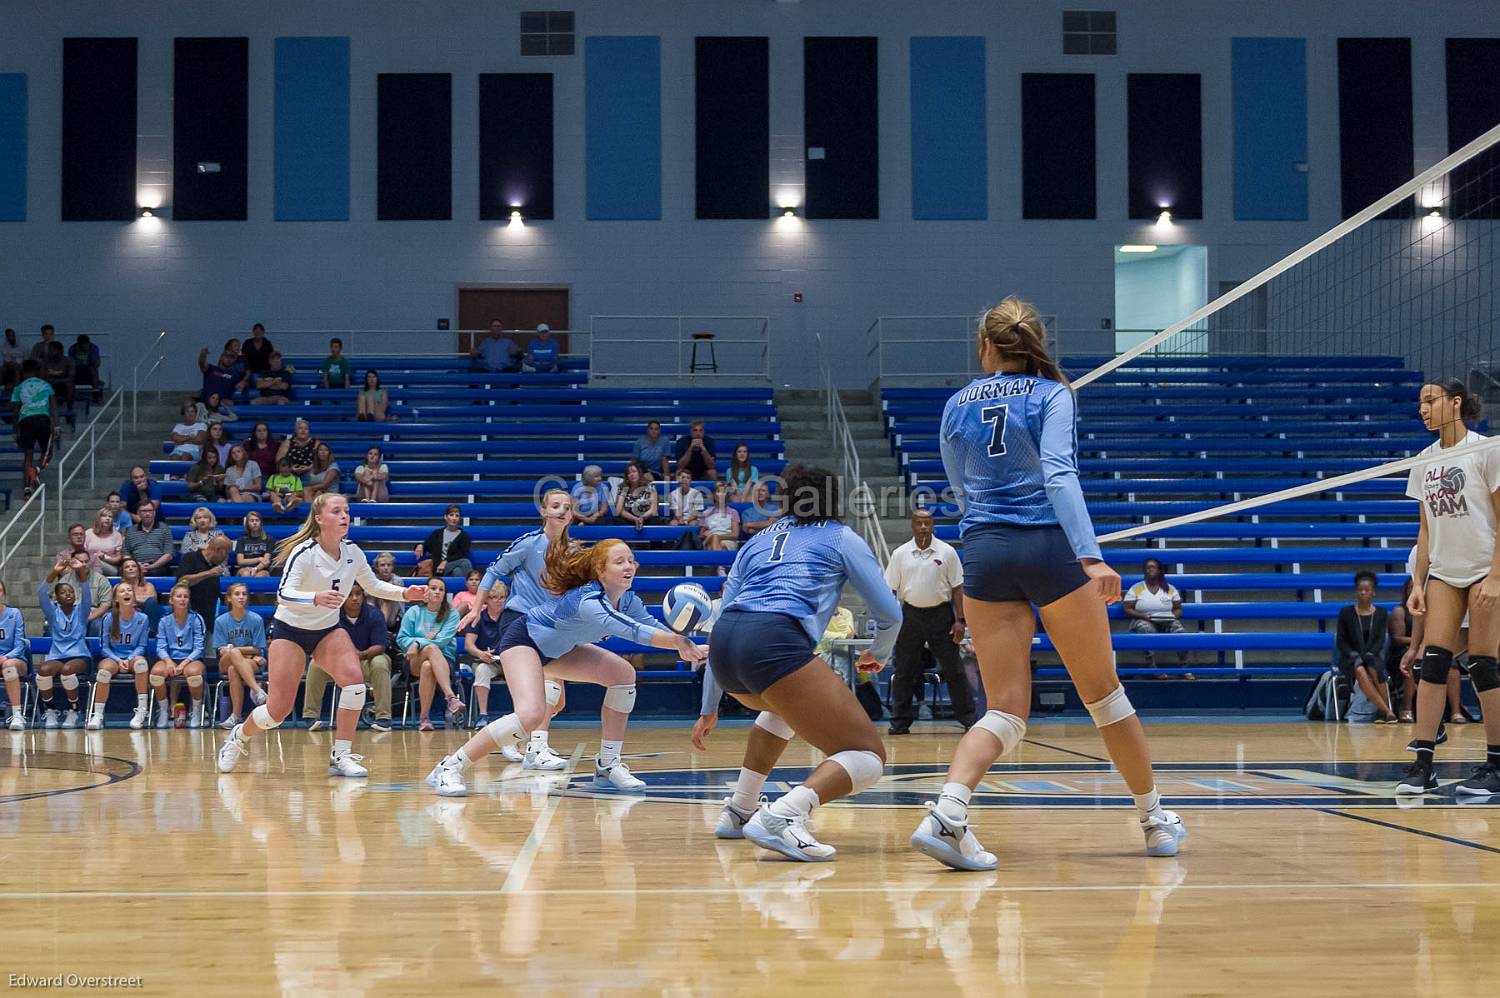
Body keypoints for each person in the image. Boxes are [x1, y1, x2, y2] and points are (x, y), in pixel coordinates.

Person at [912, 296, 1185, 871]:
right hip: (1047, 548)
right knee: (1105, 698)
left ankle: (948, 811)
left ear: (986, 346)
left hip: (984, 550)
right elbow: (1059, 474)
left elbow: (958, 488)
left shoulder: (957, 403)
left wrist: (987, 523)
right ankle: (1154, 819)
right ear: (1033, 343)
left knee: (1006, 710)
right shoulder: (1054, 393)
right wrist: (1091, 557)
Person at [690, 465, 899, 861]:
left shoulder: (755, 542)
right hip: (774, 642)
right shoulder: (840, 537)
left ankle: (739, 809)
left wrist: (708, 708)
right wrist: (879, 653)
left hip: (728, 647)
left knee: (783, 711)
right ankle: (784, 815)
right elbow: (891, 613)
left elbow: (718, 622)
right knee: (868, 757)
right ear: (834, 500)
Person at [427, 537, 705, 797]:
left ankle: (608, 765)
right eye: (619, 561)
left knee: (623, 675)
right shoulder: (589, 600)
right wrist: (678, 642)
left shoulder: (628, 600)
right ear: (600, 570)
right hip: (524, 640)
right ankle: (450, 767)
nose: (629, 566)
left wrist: (691, 645)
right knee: (531, 714)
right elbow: (632, 631)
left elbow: (650, 625)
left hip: (558, 651)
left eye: (631, 560)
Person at [216, 493, 425, 777]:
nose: (344, 516)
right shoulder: (304, 552)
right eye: (337, 511)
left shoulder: (352, 552)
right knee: (277, 713)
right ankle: (239, 735)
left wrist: (404, 593)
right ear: (319, 519)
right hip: (290, 631)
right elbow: (283, 594)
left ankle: (341, 755)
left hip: (327, 630)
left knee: (354, 684)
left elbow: (373, 585)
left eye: (347, 511)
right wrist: (315, 597)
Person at [1398, 379, 1500, 796]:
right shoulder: (1423, 460)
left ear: (1455, 402)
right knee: (1433, 661)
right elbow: (1425, 530)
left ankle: (1496, 766)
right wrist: (1418, 582)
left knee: (1483, 664)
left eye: (1430, 400)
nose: (1423, 408)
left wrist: (1496, 575)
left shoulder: (1486, 449)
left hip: (1483, 568)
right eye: (1420, 402)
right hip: (1444, 570)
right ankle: (1424, 765)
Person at [459, 489, 576, 766]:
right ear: (544, 512)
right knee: (549, 688)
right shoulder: (528, 544)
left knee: (555, 702)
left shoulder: (570, 552)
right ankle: (537, 747)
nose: (562, 511)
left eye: (567, 507)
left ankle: (513, 736)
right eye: (556, 506)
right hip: (523, 621)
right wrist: (476, 608)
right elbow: (493, 571)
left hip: (553, 625)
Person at [885, 508, 975, 735]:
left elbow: (957, 588)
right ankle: (899, 722)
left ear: (933, 524)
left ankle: (969, 719)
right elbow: (890, 590)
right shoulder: (900, 554)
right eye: (919, 523)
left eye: (927, 523)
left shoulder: (947, 552)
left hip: (941, 615)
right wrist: (891, 621)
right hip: (910, 615)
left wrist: (960, 621)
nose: (924, 527)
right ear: (912, 525)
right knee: (904, 670)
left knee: (954, 670)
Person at [301, 585, 393, 733]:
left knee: (381, 662)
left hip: (366, 659)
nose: (355, 598)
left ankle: (383, 718)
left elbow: (380, 646)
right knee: (315, 665)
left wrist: (359, 655)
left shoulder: (375, 614)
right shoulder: (332, 615)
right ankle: (310, 716)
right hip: (339, 662)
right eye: (350, 595)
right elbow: (323, 643)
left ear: (363, 596)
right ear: (342, 597)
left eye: (358, 594)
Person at [399, 577, 464, 731]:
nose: (437, 592)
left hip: (444, 660)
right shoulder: (414, 612)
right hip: (414, 659)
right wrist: (421, 642)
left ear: (445, 594)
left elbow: (442, 641)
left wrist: (417, 643)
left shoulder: (452, 614)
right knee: (430, 650)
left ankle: (424, 718)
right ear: (426, 591)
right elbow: (401, 639)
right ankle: (450, 697)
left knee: (428, 664)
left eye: (441, 589)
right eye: (433, 588)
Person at [87, 583, 151, 730]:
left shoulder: (143, 618)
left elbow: (142, 646)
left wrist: (129, 660)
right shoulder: (109, 618)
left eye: (129, 590)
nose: (126, 592)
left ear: (133, 597)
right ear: (116, 599)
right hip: (114, 657)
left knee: (142, 664)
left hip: (133, 657)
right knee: (103, 672)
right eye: (122, 591)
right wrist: (118, 660)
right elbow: (104, 647)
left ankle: (141, 711)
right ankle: (98, 715)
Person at [37, 561, 93, 728]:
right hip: (58, 656)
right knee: (44, 670)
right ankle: (51, 710)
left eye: (71, 592)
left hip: (79, 656)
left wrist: (80, 571)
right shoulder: (53, 613)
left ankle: (73, 710)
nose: (68, 594)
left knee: (67, 670)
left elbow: (86, 591)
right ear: (57, 597)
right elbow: (41, 592)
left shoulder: (82, 611)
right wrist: (54, 572)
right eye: (63, 592)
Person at [1337, 570, 1395, 722]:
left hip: (1372, 655)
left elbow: (1380, 639)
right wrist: (1353, 654)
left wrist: (1371, 653)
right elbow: (1341, 641)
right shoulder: (1346, 613)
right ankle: (1387, 711)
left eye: (1366, 590)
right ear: (1356, 591)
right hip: (1351, 658)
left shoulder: (1381, 613)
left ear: (1373, 593)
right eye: (1360, 589)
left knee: (1376, 669)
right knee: (1361, 670)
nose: (1363, 593)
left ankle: (1382, 713)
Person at [151, 584, 208, 728]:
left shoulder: (196, 619)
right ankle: (164, 710)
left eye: (185, 596)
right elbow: (161, 647)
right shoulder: (164, 621)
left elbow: (199, 648)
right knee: (156, 673)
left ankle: (195, 711)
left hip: (191, 659)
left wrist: (183, 664)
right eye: (179, 596)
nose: (182, 599)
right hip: (170, 658)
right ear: (171, 600)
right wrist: (169, 662)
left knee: (194, 674)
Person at [214, 582, 268, 731]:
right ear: (229, 598)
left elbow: (257, 649)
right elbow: (222, 651)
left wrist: (236, 650)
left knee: (234, 669)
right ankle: (257, 690)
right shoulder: (221, 621)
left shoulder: (256, 619)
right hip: (228, 661)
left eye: (244, 594)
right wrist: (245, 653)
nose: (241, 597)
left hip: (249, 662)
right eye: (237, 594)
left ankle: (235, 716)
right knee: (233, 654)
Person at [1123, 558, 1191, 669]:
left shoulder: (1169, 588)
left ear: (1159, 571)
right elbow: (1127, 608)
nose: (1149, 570)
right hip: (1145, 620)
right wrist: (1142, 616)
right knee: (1145, 629)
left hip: (1166, 621)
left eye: (1152, 567)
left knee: (1181, 632)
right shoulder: (1137, 588)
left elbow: (1178, 608)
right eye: (1147, 568)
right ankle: (1152, 668)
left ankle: (1184, 667)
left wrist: (1173, 617)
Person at [463, 582, 510, 726]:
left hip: (510, 661)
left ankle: (521, 715)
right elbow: (468, 645)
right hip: (487, 661)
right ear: (486, 600)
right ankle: (483, 715)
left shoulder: (511, 617)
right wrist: (480, 653)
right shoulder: (478, 617)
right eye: (494, 597)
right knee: (482, 671)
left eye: (502, 597)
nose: (498, 601)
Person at [10, 359, 55, 497]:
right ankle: (37, 469)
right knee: (48, 454)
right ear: (37, 371)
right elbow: (54, 406)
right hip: (42, 419)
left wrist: (15, 431)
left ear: (24, 372)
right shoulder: (46, 385)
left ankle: (27, 489)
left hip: (26, 421)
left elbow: (15, 411)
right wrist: (57, 425)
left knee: (27, 455)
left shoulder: (19, 387)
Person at [178, 534, 232, 627]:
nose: (226, 558)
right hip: (190, 617)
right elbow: (182, 581)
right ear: (217, 550)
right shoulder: (191, 558)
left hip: (209, 618)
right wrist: (208, 573)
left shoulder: (215, 565)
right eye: (226, 553)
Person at [414, 504, 472, 579]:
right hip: (438, 568)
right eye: (451, 515)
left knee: (457, 571)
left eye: (457, 516)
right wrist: (420, 545)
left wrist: (445, 562)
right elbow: (426, 546)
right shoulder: (437, 534)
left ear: (460, 519)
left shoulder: (464, 536)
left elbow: (462, 555)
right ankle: (476, 587)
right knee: (465, 562)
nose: (454, 518)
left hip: (451, 567)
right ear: (445, 517)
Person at [0, 582, 28, 730]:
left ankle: (17, 715)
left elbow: (20, 645)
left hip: (15, 660)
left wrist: (6, 657)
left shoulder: (14, 613)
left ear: (4, 593)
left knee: (8, 666)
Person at [124, 505, 174, 577]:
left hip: (159, 567)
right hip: (135, 566)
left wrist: (152, 566)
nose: (147, 513)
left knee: (154, 573)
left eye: (150, 511)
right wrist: (137, 565)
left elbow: (169, 554)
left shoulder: (164, 528)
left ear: (154, 513)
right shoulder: (130, 531)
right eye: (144, 511)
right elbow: (126, 554)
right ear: (138, 513)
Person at [614, 460, 658, 533]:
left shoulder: (650, 486)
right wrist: (634, 519)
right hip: (629, 518)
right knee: (618, 521)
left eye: (634, 471)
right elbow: (619, 511)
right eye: (629, 473)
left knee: (655, 520)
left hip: (646, 517)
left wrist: (642, 518)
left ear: (639, 473)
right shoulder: (623, 487)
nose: (632, 474)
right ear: (627, 477)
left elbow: (653, 509)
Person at [116, 559, 160, 628]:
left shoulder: (148, 585)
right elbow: (116, 602)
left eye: (134, 566)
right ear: (123, 572)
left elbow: (151, 600)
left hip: (145, 615)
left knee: (152, 602)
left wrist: (130, 599)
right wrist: (140, 600)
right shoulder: (118, 587)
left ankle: (150, 632)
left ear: (139, 570)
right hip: (125, 615)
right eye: (127, 567)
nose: (131, 568)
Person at [699, 481, 741, 551]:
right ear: (714, 494)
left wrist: (717, 536)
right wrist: (706, 534)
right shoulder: (706, 513)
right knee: (712, 544)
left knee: (717, 547)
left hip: (728, 540)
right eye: (718, 491)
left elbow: (735, 535)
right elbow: (701, 534)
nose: (721, 494)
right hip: (709, 539)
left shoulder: (733, 512)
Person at [84, 509, 125, 577]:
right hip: (89, 564)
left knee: (96, 563)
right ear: (98, 518)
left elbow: (118, 558)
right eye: (104, 516)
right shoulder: (88, 533)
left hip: (110, 566)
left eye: (110, 516)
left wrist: (104, 558)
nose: (107, 518)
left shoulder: (117, 535)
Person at [235, 510, 273, 577]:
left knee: (260, 576)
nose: (254, 523)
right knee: (246, 574)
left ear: (261, 523)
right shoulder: (242, 539)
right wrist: (258, 559)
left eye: (257, 520)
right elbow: (240, 561)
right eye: (252, 521)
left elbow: (266, 561)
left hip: (262, 568)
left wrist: (256, 569)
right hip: (244, 568)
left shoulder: (268, 539)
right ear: (247, 524)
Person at [68, 334, 102, 402]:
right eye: (84, 345)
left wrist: (90, 355)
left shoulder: (94, 348)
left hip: (89, 369)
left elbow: (96, 364)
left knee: (94, 370)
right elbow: (71, 362)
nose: (86, 346)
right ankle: (69, 394)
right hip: (77, 369)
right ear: (79, 345)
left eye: (87, 344)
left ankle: (95, 393)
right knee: (71, 372)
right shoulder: (73, 349)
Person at [41, 340, 74, 408]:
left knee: (70, 385)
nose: (49, 352)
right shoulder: (45, 361)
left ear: (58, 351)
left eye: (51, 350)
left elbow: (71, 377)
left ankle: (70, 410)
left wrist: (57, 381)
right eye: (49, 350)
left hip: (63, 384)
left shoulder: (68, 361)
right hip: (49, 384)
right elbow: (42, 376)